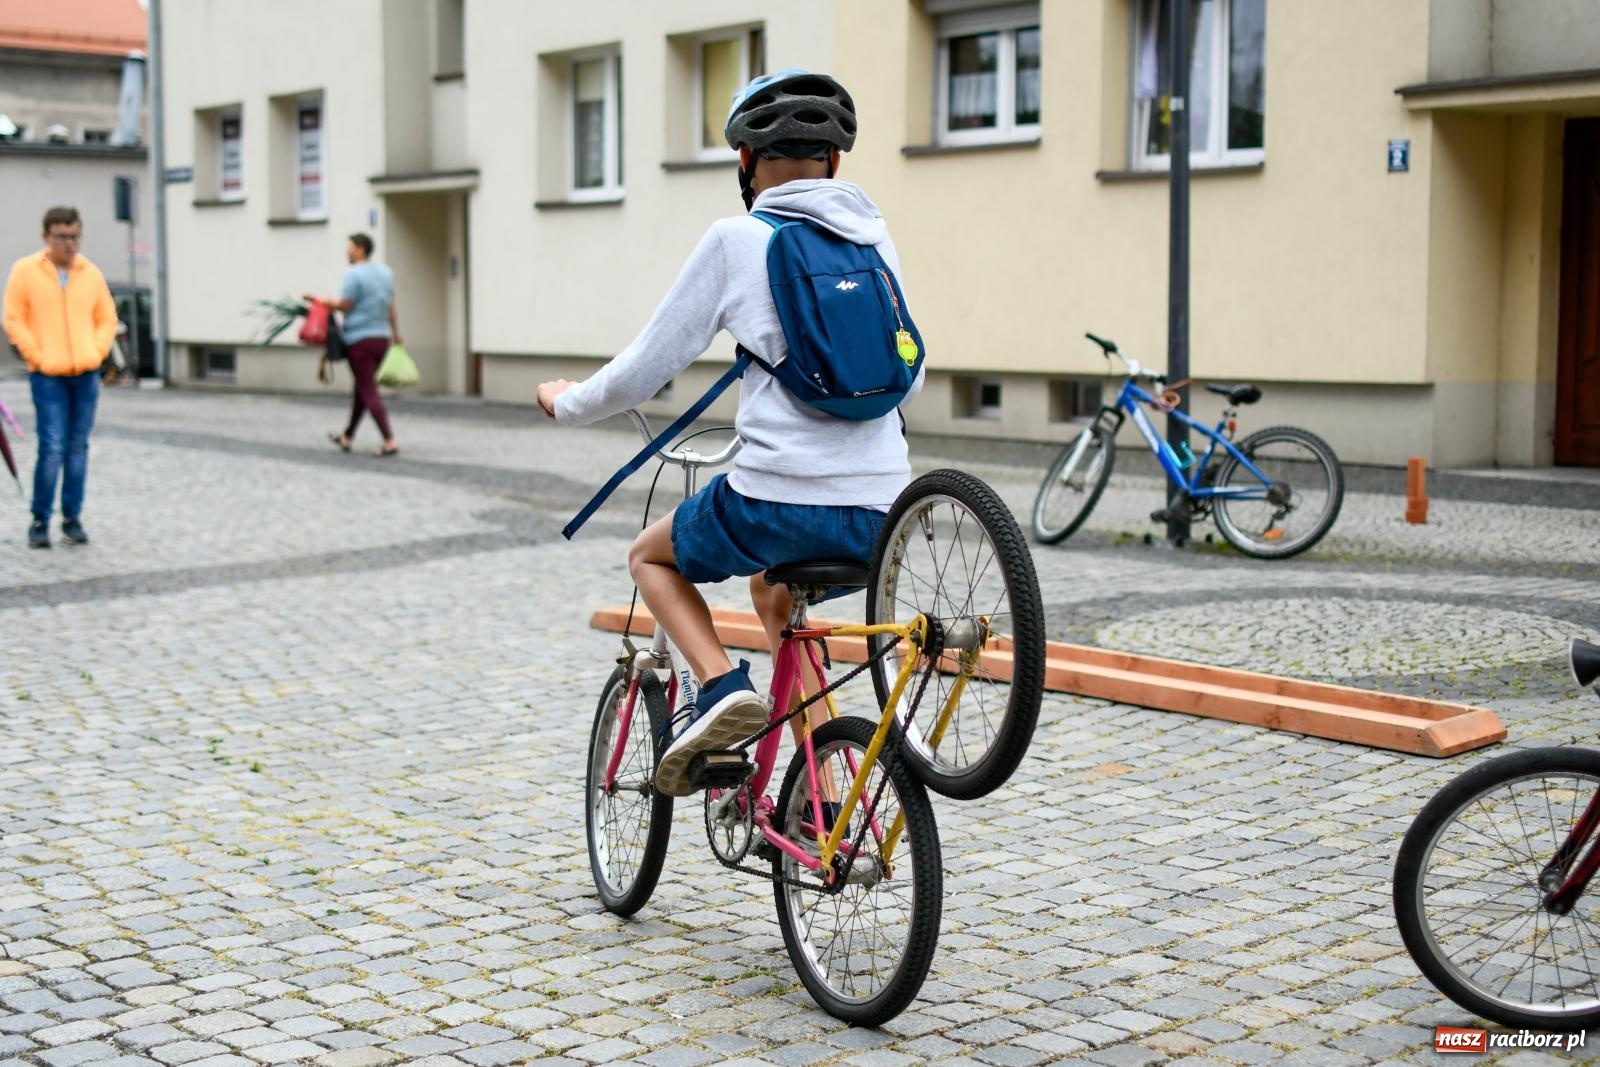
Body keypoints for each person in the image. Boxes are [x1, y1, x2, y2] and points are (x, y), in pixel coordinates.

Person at [537, 70, 923, 797]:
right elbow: (908, 373)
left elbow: (641, 371)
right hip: (883, 513)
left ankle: (718, 688)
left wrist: (565, 401)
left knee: (651, 557)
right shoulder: (874, 240)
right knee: (775, 597)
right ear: (836, 163)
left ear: (745, 161)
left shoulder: (737, 238)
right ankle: (825, 790)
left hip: (775, 501)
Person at [2, 206, 118, 549]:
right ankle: (40, 518)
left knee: (78, 447)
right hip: (48, 375)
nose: (69, 244)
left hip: (85, 373)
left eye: (74, 236)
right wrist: (36, 355)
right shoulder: (26, 271)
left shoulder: (90, 273)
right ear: (46, 237)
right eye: (62, 237)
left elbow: (106, 318)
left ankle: (72, 516)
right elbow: (14, 319)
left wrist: (96, 352)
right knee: (52, 446)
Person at [306, 232, 401, 457]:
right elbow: (390, 306)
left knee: (367, 389)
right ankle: (347, 435)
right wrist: (397, 334)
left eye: (349, 247)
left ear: (360, 249)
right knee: (361, 389)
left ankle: (389, 440)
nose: (346, 252)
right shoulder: (386, 273)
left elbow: (346, 305)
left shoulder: (353, 274)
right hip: (381, 338)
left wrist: (319, 302)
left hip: (359, 340)